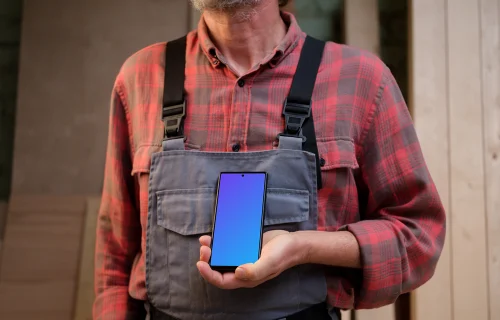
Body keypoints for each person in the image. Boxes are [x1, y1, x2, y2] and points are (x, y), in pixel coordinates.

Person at [93, 0, 446, 319]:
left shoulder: (362, 80)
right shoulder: (140, 76)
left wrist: (303, 247)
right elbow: (113, 261)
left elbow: (418, 237)